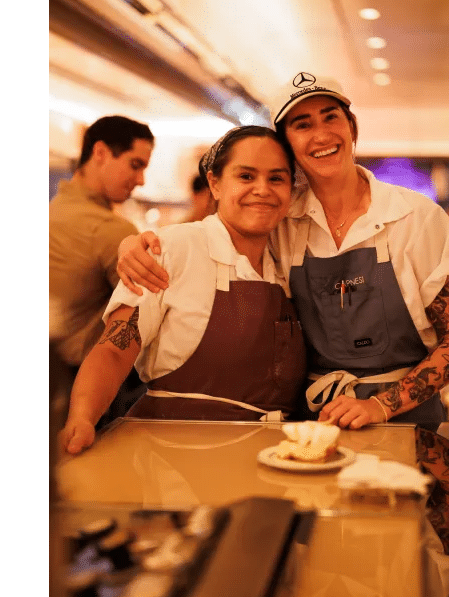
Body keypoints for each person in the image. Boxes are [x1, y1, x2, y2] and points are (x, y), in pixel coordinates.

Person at [117, 73, 449, 433]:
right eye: (302, 124)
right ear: (287, 144)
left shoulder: (414, 217)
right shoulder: (283, 221)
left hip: (408, 421)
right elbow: (218, 232)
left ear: (351, 127)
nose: (321, 134)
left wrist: (379, 406)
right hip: (314, 425)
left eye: (331, 117)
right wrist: (137, 244)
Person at [60, 126, 307, 455]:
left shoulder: (290, 260)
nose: (262, 189)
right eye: (246, 176)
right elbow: (113, 350)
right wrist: (82, 418)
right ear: (215, 183)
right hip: (174, 455)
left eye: (277, 179)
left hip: (271, 456)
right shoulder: (172, 249)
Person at [49, 115, 154, 425]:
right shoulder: (111, 230)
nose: (141, 180)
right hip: (78, 391)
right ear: (101, 153)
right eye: (136, 164)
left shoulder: (51, 210)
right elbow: (151, 315)